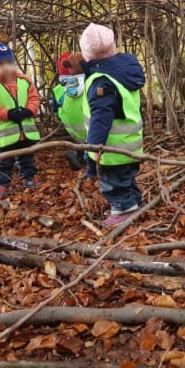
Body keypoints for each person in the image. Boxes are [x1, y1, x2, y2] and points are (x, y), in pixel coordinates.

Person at [79, 23, 145, 227]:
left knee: (113, 183)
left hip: (112, 147)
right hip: (130, 143)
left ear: (87, 54)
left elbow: (101, 116)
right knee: (125, 178)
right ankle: (133, 202)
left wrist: (94, 146)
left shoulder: (102, 81)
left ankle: (123, 210)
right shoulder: (124, 72)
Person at [0, 43, 42, 198]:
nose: (6, 67)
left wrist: (29, 110)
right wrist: (7, 113)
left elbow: (34, 98)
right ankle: (3, 184)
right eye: (0, 64)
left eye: (9, 63)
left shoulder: (25, 81)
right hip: (4, 135)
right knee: (4, 162)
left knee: (26, 156)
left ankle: (29, 177)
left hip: (24, 133)